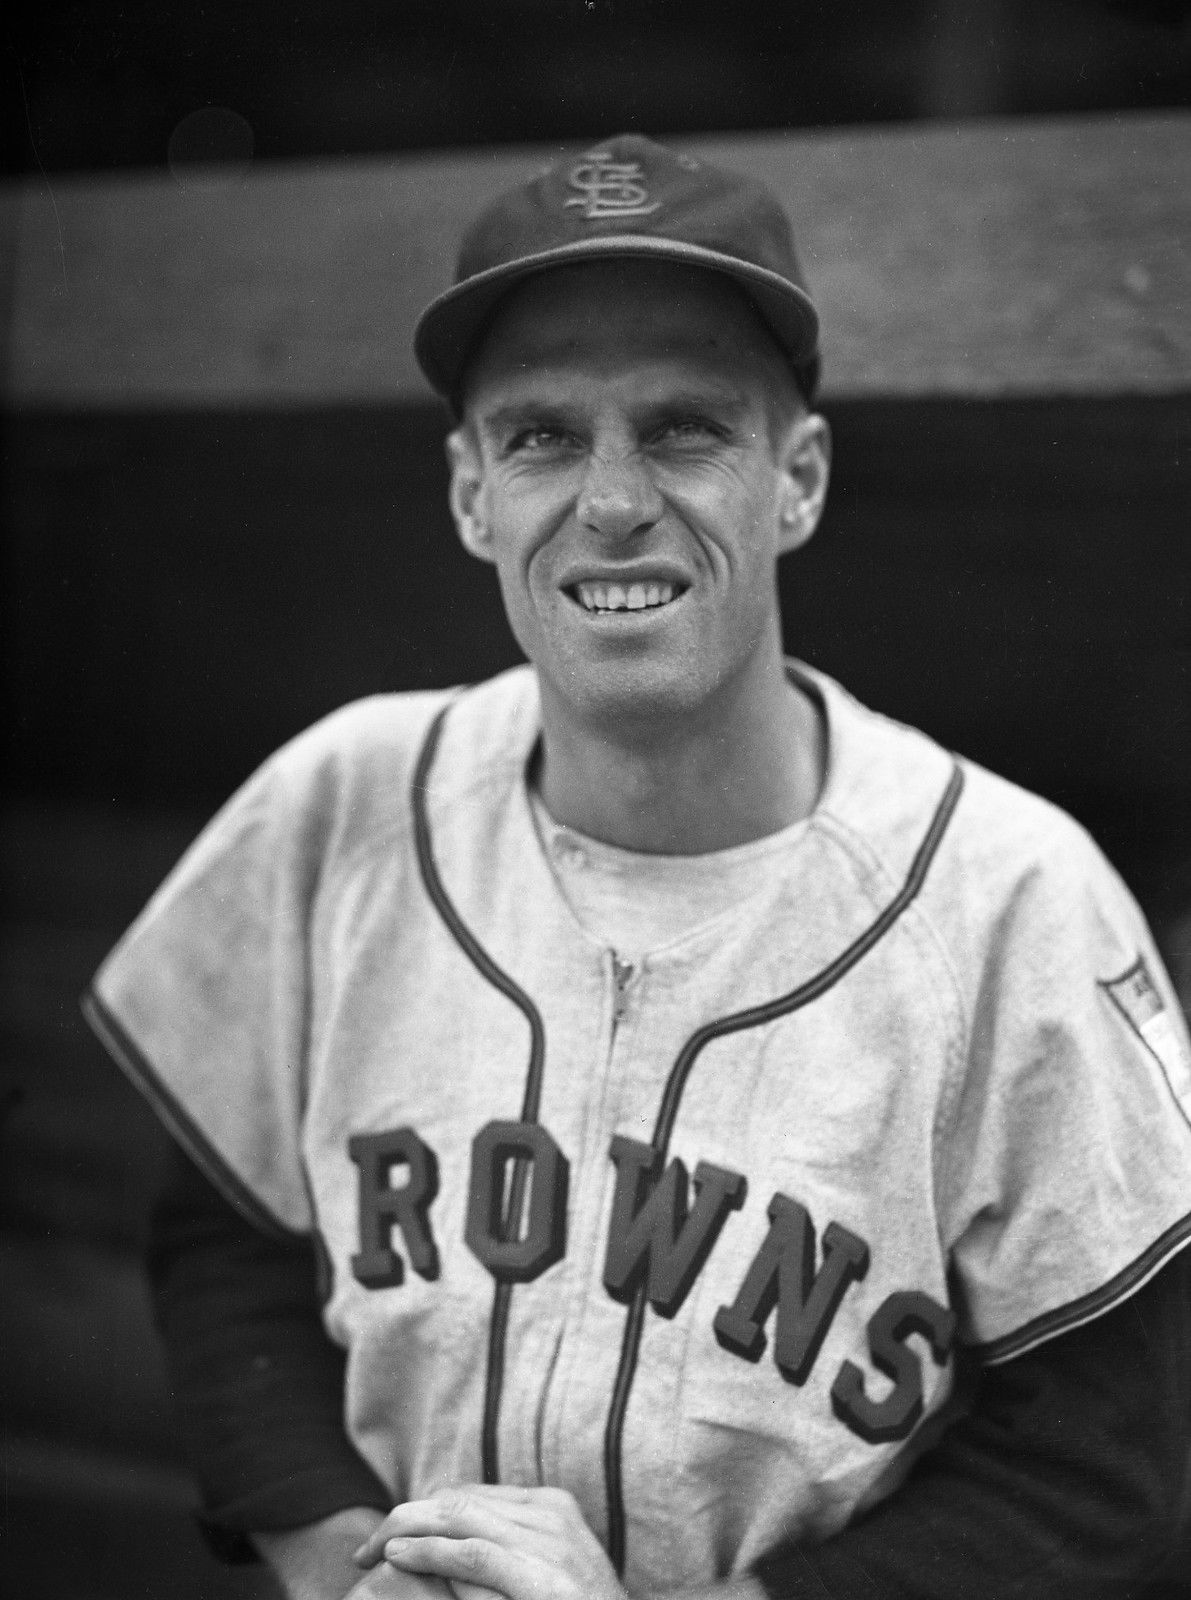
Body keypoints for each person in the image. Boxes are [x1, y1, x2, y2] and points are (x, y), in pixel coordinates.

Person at [85, 134, 1191, 1600]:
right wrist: (343, 1565)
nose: (612, 500)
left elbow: (1109, 1471)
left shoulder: (1014, 900)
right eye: (543, 435)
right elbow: (227, 1240)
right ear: (472, 493)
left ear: (796, 479)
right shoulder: (341, 801)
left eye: (684, 429)